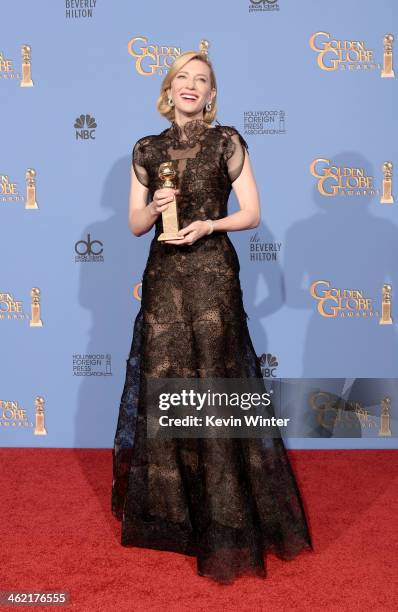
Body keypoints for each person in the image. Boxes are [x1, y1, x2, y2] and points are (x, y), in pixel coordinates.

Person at [112, 49, 313, 584]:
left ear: (211, 92)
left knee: (216, 384)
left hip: (211, 275)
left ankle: (224, 515)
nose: (191, 86)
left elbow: (251, 213)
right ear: (169, 86)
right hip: (164, 279)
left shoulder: (228, 141)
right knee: (167, 384)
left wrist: (208, 226)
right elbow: (133, 224)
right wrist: (155, 208)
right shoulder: (146, 149)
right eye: (183, 78)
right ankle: (174, 514)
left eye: (201, 80)